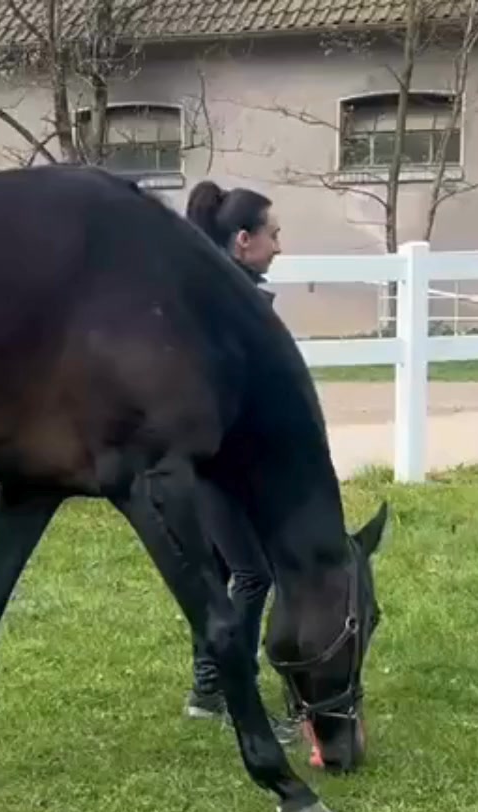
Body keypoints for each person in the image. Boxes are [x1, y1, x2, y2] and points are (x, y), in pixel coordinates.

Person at [180, 181, 292, 741]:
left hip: (207, 462)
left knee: (224, 571)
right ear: (243, 240)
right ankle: (234, 687)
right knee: (253, 574)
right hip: (216, 462)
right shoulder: (230, 303)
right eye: (273, 234)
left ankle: (206, 690)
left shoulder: (218, 292)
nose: (279, 246)